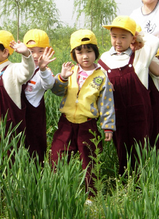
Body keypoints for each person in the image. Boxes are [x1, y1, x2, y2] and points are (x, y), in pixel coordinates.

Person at [51, 30, 115, 195]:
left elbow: (106, 102)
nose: (85, 56)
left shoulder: (101, 76)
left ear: (96, 53)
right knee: (57, 154)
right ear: (74, 55)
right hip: (66, 122)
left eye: (89, 51)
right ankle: (57, 189)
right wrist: (62, 78)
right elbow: (57, 91)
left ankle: (91, 195)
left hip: (88, 124)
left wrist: (108, 126)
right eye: (80, 52)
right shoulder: (69, 71)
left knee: (90, 159)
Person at [98, 16, 159, 174]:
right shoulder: (104, 59)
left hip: (140, 114)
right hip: (117, 113)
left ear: (132, 38)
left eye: (123, 37)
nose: (118, 41)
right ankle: (125, 180)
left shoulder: (140, 55)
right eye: (114, 36)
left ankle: (143, 181)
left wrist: (139, 36)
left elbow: (155, 42)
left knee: (141, 147)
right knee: (121, 147)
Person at [21, 29, 55, 164]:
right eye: (31, 50)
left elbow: (49, 85)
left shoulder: (45, 72)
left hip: (34, 114)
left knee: (35, 147)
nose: (35, 55)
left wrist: (42, 69)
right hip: (18, 112)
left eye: (41, 50)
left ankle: (37, 176)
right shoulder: (19, 68)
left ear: (48, 51)